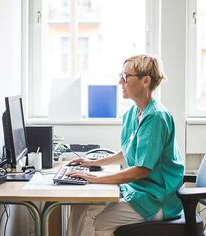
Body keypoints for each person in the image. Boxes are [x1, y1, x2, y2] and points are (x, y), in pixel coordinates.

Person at [66, 54, 185, 236]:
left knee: (91, 220)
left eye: (126, 76)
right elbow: (128, 151)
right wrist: (92, 163)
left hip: (156, 200)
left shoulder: (155, 117)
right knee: (81, 206)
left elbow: (141, 170)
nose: (120, 81)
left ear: (145, 81)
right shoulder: (134, 112)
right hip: (139, 191)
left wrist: (96, 179)